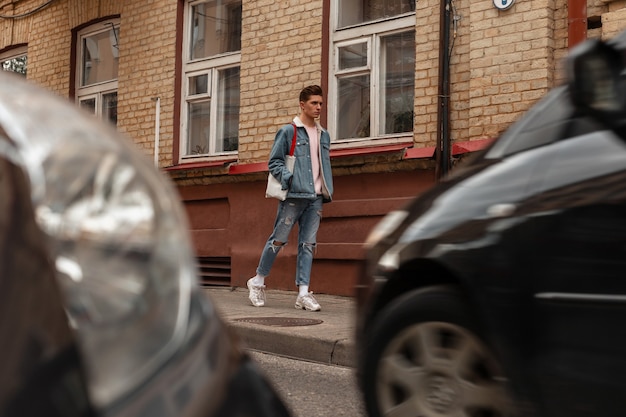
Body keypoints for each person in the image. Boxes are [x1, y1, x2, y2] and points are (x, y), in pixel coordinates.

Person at [247, 85, 334, 311]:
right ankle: (257, 281)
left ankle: (303, 293)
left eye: (321, 103)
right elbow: (274, 162)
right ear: (302, 104)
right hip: (294, 196)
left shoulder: (324, 134)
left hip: (315, 197)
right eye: (314, 103)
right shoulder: (289, 131)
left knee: (308, 245)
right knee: (278, 240)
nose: (318, 107)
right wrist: (290, 178)